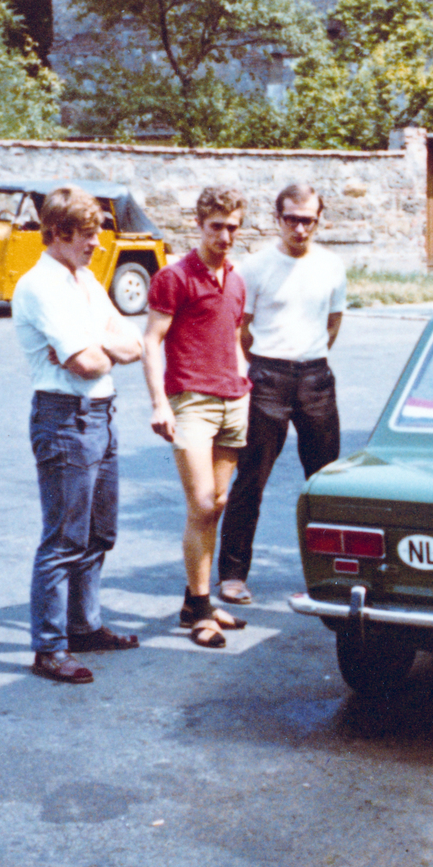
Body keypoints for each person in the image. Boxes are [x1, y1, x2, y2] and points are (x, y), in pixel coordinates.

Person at [14, 185, 144, 684]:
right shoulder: (40, 286)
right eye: (87, 235)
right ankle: (49, 648)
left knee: (99, 532)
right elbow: (88, 362)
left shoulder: (84, 279)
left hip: (100, 413)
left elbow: (131, 343)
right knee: (64, 538)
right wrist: (97, 347)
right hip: (64, 417)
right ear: (59, 233)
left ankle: (84, 626)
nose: (96, 244)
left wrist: (94, 346)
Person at [215, 183, 350, 606]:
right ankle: (233, 575)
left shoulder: (332, 266)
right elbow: (241, 328)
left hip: (315, 378)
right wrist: (259, 367)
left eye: (308, 219)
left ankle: (328, 577)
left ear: (319, 220)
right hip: (266, 378)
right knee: (250, 480)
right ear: (278, 219)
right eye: (291, 219)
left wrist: (309, 358)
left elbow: (333, 322)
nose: (300, 228)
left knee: (325, 483)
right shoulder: (254, 267)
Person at [142, 186, 252, 648]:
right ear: (200, 224)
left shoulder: (237, 279)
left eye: (232, 227)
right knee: (202, 506)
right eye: (217, 227)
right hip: (191, 402)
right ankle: (201, 614)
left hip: (233, 401)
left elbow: (236, 338)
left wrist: (243, 381)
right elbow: (150, 341)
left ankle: (195, 599)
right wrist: (159, 403)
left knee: (219, 503)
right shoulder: (174, 277)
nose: (225, 236)